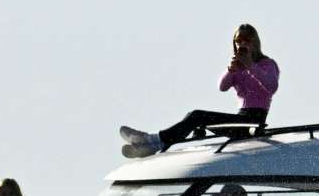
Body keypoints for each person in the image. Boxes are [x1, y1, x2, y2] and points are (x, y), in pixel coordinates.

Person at [119, 24, 280, 158]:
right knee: (195, 117)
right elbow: (222, 87)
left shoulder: (267, 64)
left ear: (254, 43)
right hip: (240, 118)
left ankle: (153, 140)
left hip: (253, 120)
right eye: (238, 41)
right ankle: (155, 143)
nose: (242, 44)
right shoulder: (239, 66)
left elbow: (271, 87)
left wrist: (251, 65)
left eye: (246, 40)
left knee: (197, 116)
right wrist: (231, 70)